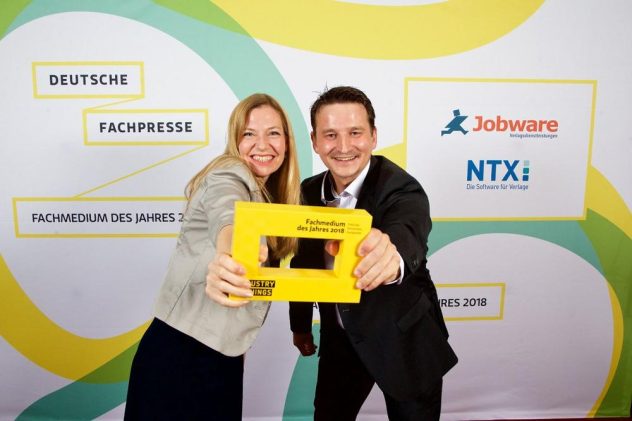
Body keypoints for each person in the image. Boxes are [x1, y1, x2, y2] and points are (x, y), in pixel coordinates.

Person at [124, 93, 301, 420]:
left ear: (287, 143)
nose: (262, 144)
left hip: (221, 357)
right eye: (249, 133)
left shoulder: (269, 196)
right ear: (235, 140)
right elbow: (228, 213)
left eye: (273, 133)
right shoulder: (228, 173)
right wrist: (230, 251)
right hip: (180, 356)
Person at [289, 86, 458, 420]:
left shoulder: (402, 187)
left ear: (374, 136)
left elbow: (407, 232)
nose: (343, 147)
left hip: (404, 341)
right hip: (341, 341)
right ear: (315, 141)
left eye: (355, 133)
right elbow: (303, 262)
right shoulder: (306, 192)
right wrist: (301, 325)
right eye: (330, 135)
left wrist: (389, 255)